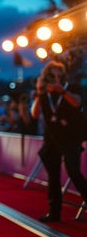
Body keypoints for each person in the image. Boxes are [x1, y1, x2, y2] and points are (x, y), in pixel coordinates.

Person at [31, 60, 87, 222]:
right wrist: (40, 92)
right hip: (52, 139)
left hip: (71, 138)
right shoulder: (44, 93)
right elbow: (35, 114)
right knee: (53, 177)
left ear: (63, 75)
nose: (56, 76)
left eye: (59, 72)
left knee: (74, 172)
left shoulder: (71, 87)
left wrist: (61, 90)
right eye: (52, 73)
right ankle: (54, 212)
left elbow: (77, 102)